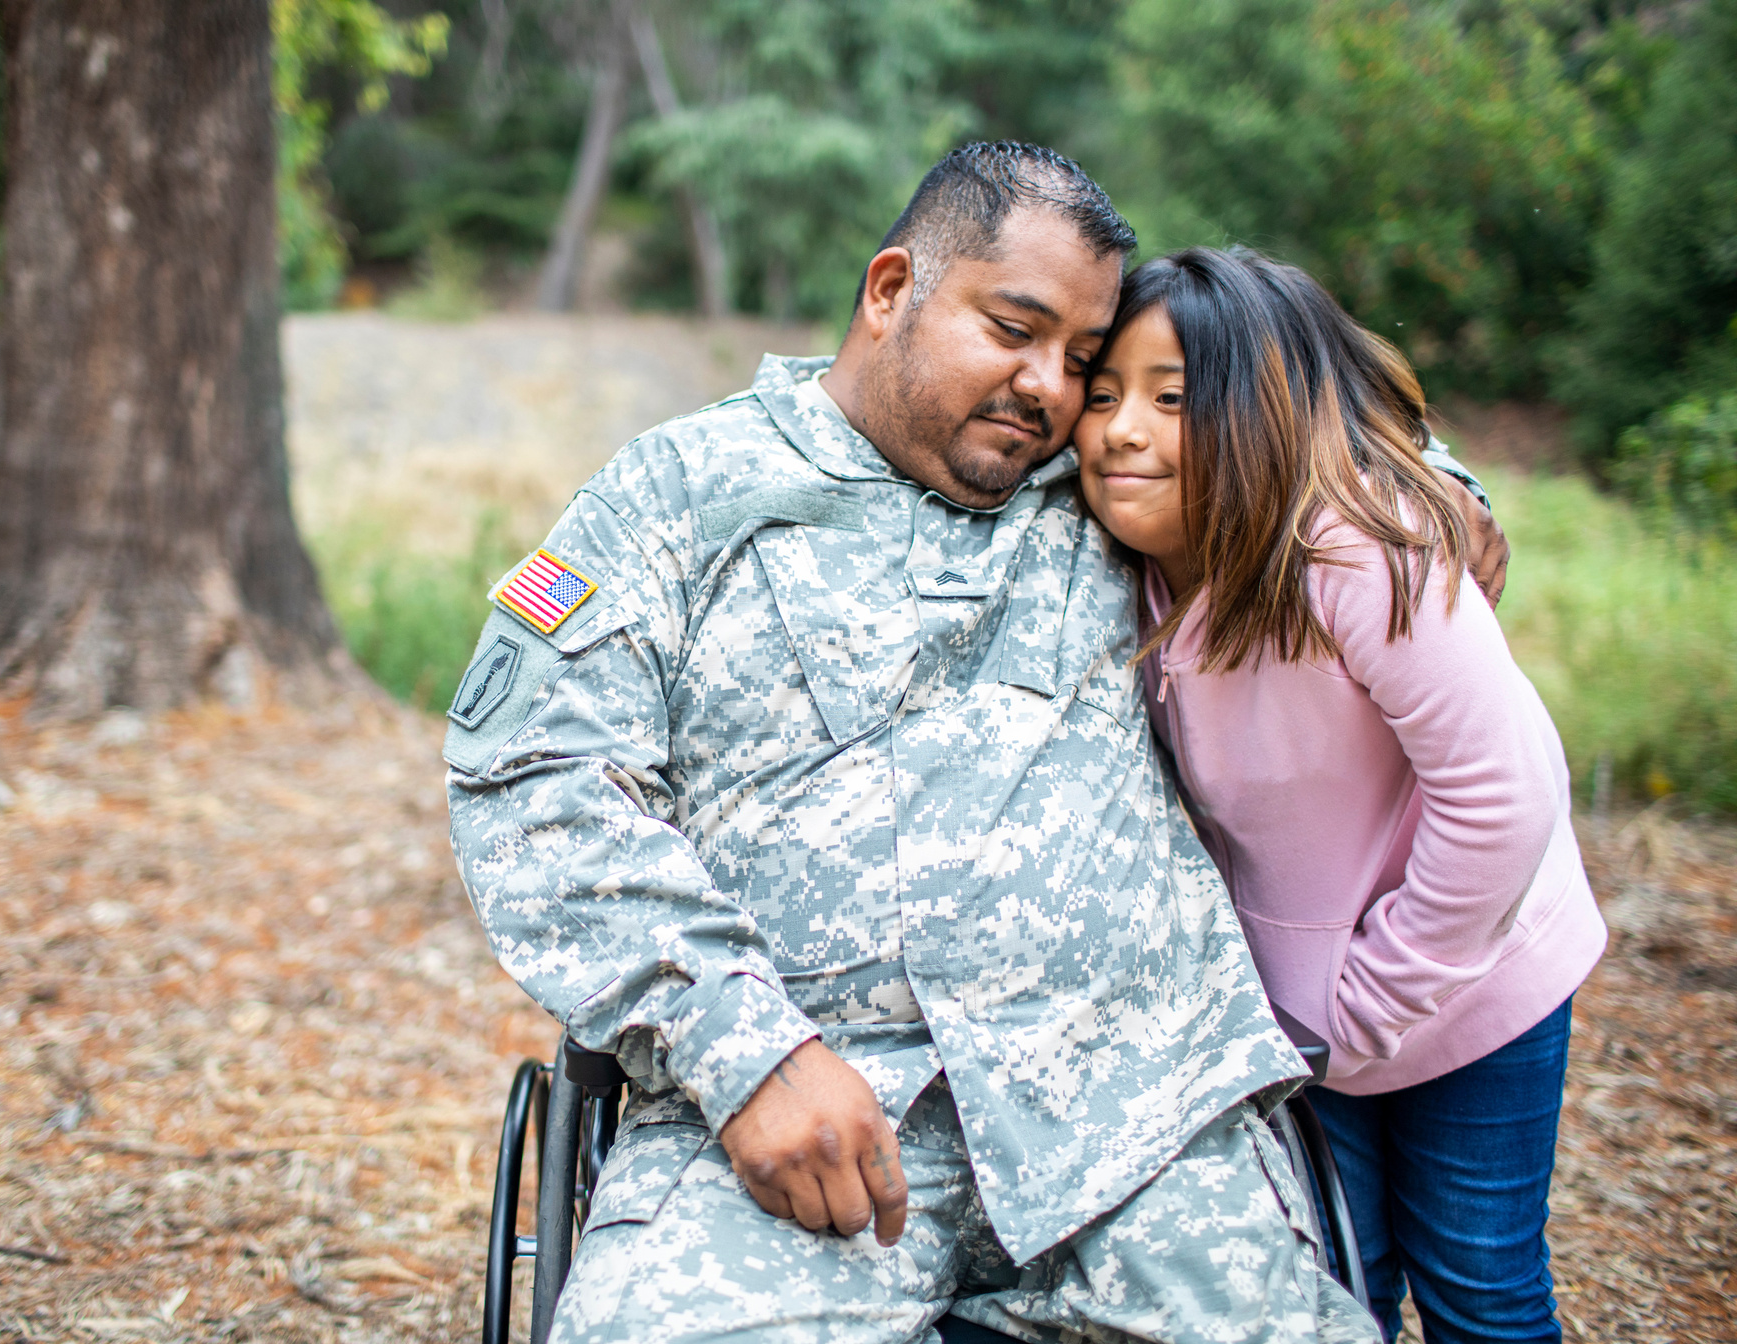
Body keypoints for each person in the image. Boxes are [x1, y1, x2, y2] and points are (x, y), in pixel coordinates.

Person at [446, 143, 1497, 1344]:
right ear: (891, 288)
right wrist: (744, 1048)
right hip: (808, 1126)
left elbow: (1281, 426)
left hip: (1140, 1119)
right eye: (1014, 329)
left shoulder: (1106, 483)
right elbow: (534, 775)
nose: (1051, 388)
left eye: (1084, 363)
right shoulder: (676, 498)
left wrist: (1431, 481)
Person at [1072, 247, 1606, 1344]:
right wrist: (1321, 1021)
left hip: (1472, 976)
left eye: (1171, 399)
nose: (1121, 429)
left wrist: (1369, 1002)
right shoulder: (1131, 561)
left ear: (1264, 414)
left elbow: (1503, 798)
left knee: (1480, 1283)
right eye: (1105, 395)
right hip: (1308, 1019)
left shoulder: (1358, 552)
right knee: (1332, 1286)